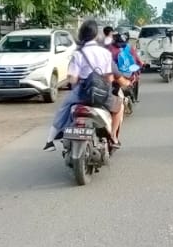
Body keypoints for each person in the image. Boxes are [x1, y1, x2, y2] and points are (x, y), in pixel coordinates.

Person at [47, 19, 124, 149]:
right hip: (102, 95)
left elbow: (72, 80)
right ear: (96, 35)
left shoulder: (78, 53)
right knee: (119, 107)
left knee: (63, 108)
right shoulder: (105, 53)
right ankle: (113, 138)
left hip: (81, 94)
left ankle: (51, 140)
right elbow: (109, 78)